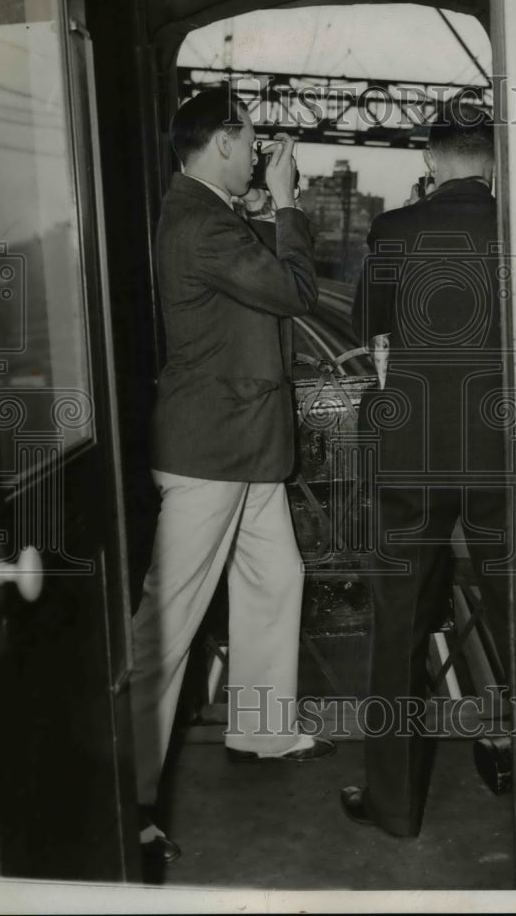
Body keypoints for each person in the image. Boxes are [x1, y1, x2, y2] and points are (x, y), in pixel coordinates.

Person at [131, 87, 334, 868]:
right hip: (209, 452)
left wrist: (264, 201)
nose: (258, 152)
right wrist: (287, 202)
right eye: (249, 139)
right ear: (220, 140)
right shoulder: (199, 221)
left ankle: (262, 726)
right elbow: (293, 291)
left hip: (238, 443)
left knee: (277, 576)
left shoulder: (205, 212)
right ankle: (132, 798)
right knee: (167, 624)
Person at [342, 109, 514, 838]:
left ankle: (394, 804)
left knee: (401, 628)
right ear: (493, 164)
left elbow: (366, 328)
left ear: (432, 161)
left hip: (410, 454)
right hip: (501, 453)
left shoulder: (395, 231)